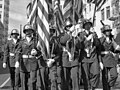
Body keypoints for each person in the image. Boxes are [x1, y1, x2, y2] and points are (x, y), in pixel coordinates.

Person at [15, 24, 41, 90]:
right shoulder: (21, 41)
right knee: (24, 82)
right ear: (25, 32)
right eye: (26, 31)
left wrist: (36, 52)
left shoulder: (35, 41)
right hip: (24, 63)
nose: (28, 32)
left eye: (29, 31)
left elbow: (40, 52)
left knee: (33, 81)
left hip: (33, 63)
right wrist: (17, 61)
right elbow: (18, 52)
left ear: (32, 32)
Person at [78, 19, 101, 90]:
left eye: (89, 24)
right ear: (84, 26)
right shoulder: (80, 34)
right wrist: (87, 39)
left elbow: (98, 45)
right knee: (85, 76)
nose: (88, 26)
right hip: (84, 57)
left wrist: (94, 36)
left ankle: (93, 87)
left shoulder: (94, 33)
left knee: (96, 73)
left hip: (93, 56)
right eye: (86, 24)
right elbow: (80, 46)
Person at [100, 25, 120, 90]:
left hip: (111, 59)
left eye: (109, 31)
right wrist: (100, 61)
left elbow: (115, 49)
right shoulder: (101, 40)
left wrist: (116, 49)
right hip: (104, 59)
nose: (108, 32)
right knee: (105, 77)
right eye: (107, 31)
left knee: (115, 75)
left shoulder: (112, 39)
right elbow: (98, 51)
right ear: (104, 32)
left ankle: (110, 84)